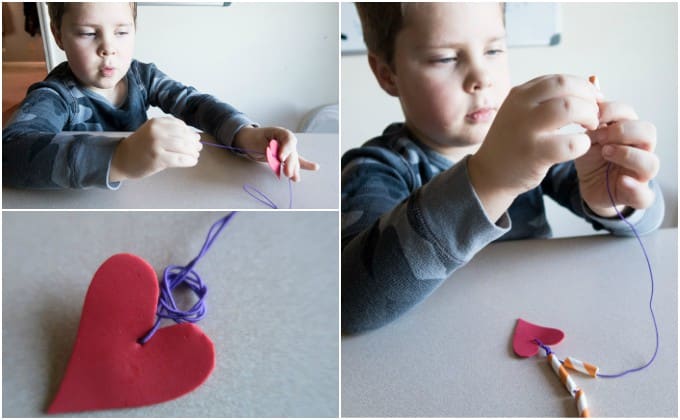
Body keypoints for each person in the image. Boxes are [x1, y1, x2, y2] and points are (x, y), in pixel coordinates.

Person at [342, 3, 664, 334]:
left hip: (535, 333)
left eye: (494, 49)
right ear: (387, 74)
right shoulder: (375, 170)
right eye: (445, 58)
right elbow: (348, 304)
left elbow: (648, 224)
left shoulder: (533, 146)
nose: (481, 77)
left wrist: (618, 198)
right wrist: (487, 180)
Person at [3, 2, 318, 189]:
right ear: (58, 35)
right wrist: (120, 158)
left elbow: (195, 104)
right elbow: (11, 152)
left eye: (122, 32)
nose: (109, 47)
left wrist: (246, 135)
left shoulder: (142, 77)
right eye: (88, 33)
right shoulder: (57, 95)